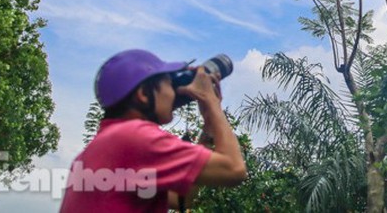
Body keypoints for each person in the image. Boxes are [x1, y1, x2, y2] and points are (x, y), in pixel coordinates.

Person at [60, 49, 247, 212]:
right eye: (169, 83)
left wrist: (208, 126)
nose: (174, 92)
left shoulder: (102, 147)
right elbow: (234, 169)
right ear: (143, 94)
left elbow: (180, 200)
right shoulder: (133, 137)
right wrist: (212, 103)